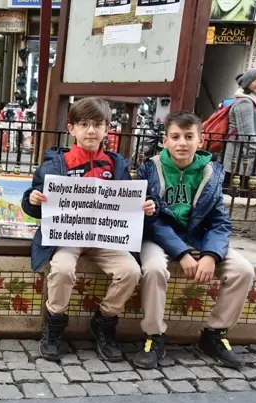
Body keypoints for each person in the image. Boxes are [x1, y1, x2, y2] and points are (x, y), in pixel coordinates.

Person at [21, 97, 155, 362]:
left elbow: (128, 206)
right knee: (61, 269)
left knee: (130, 271)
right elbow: (32, 204)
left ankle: (104, 322)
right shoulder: (53, 165)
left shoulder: (117, 166)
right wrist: (33, 199)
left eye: (97, 124)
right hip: (67, 237)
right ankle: (54, 325)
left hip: (105, 237)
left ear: (107, 128)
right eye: (84, 124)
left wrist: (146, 208)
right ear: (71, 128)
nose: (91, 131)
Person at [134, 111, 255, 370]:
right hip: (158, 238)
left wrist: (211, 255)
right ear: (165, 140)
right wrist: (182, 253)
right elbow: (151, 220)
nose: (182, 143)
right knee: (154, 269)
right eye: (175, 136)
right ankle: (154, 336)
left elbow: (219, 221)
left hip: (198, 238)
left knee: (243, 270)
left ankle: (214, 334)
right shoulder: (150, 170)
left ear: (200, 141)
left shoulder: (211, 174)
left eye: (189, 136)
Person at [222, 69, 256, 181]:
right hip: (239, 159)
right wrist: (255, 155)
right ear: (248, 83)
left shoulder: (253, 101)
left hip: (242, 159)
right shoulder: (245, 103)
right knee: (237, 192)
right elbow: (247, 135)